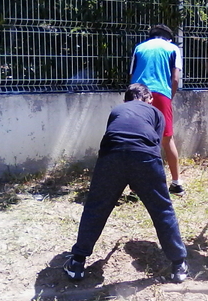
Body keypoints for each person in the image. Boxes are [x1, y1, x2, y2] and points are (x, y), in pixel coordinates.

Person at [64, 83, 188, 283]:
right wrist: (140, 178)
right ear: (150, 100)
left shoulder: (117, 110)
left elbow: (113, 137)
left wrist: (124, 175)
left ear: (125, 100)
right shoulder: (156, 113)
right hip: (145, 157)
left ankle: (77, 262)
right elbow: (154, 146)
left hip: (111, 156)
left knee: (96, 207)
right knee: (162, 209)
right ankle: (178, 264)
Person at [130, 24, 185, 196]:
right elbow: (175, 78)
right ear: (168, 37)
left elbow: (131, 75)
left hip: (137, 92)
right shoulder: (172, 48)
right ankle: (176, 184)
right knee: (167, 139)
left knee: (137, 139)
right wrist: (169, 98)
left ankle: (135, 188)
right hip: (161, 94)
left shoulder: (139, 48)